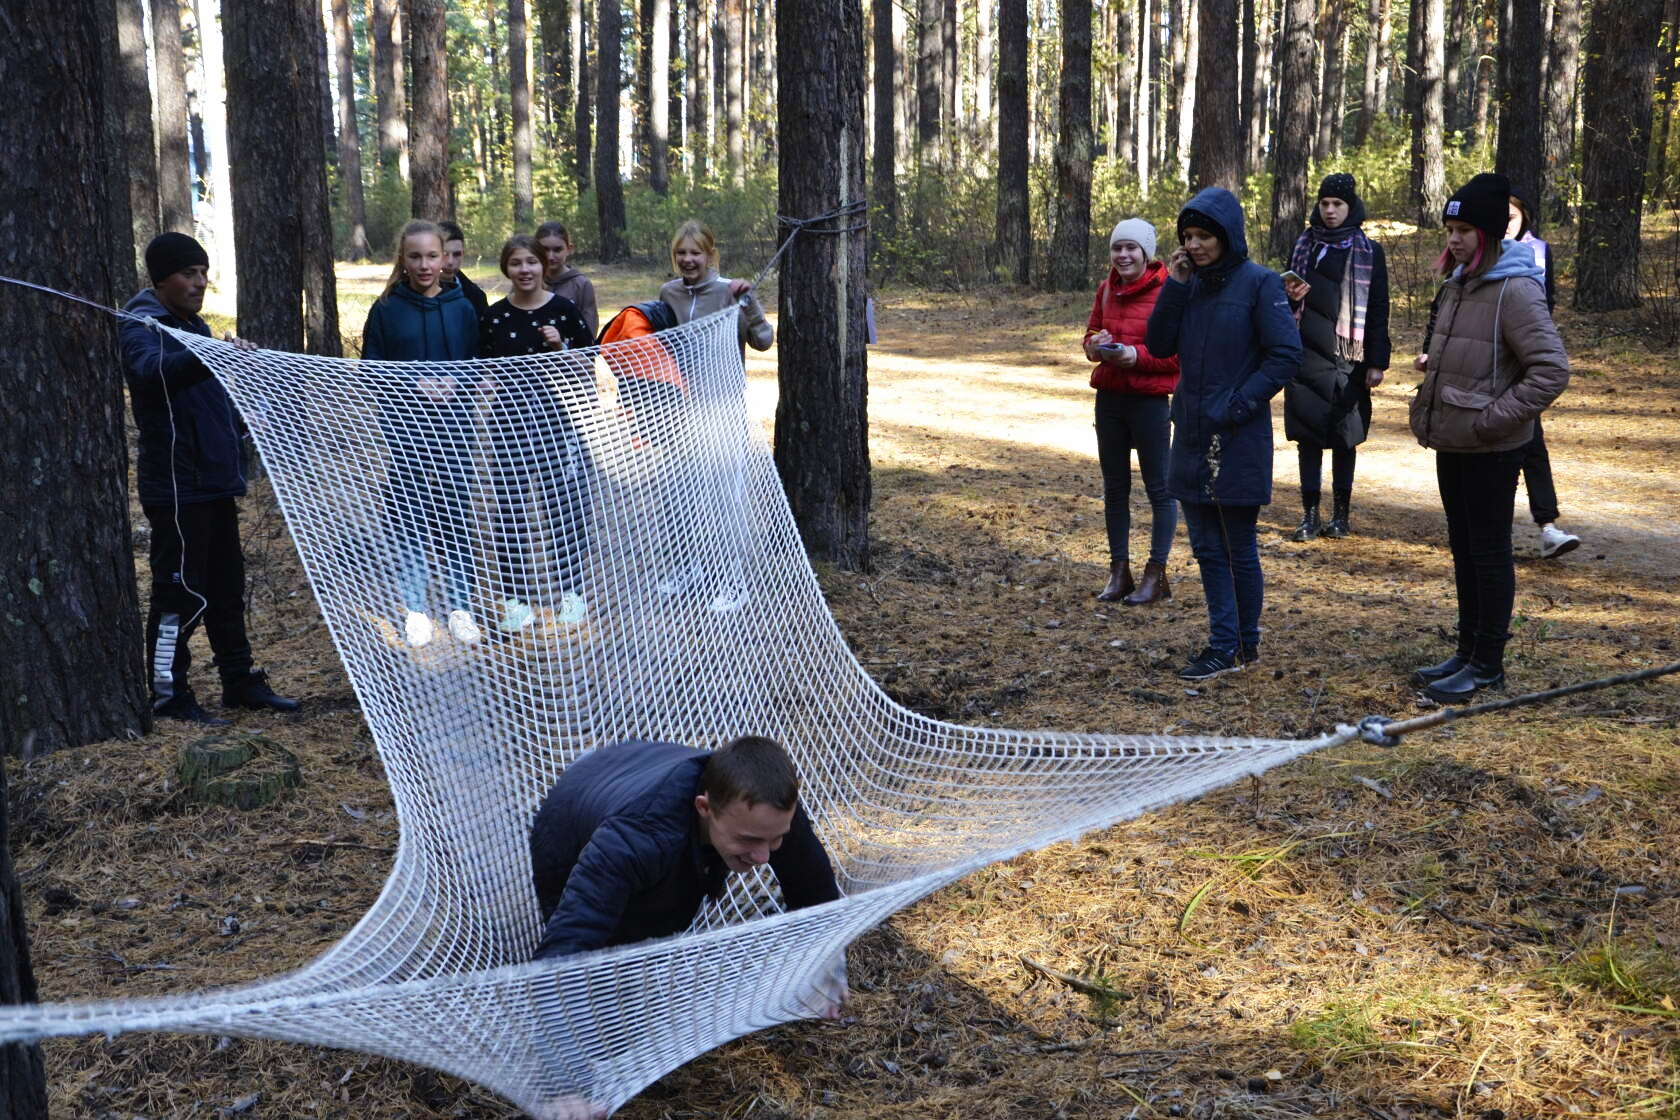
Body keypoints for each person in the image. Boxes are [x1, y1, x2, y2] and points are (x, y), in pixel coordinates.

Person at [119, 233, 302, 723]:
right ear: (160, 279)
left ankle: (239, 682)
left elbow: (207, 403)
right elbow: (150, 373)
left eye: (203, 272)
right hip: (178, 489)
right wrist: (209, 355)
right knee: (178, 592)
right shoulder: (143, 325)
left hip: (215, 483)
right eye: (188, 273)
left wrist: (245, 410)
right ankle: (168, 694)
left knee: (225, 588)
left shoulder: (191, 324)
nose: (200, 282)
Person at [1409, 173, 1570, 703]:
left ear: (1490, 234)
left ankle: (1487, 666)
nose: (1453, 239)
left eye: (1464, 230)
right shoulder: (1459, 284)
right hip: (1453, 440)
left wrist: (1491, 421)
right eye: (1450, 229)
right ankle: (1466, 651)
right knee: (1464, 550)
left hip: (1489, 447)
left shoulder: (1515, 289)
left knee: (1488, 553)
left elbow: (1550, 370)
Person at [1144, 187, 1303, 681]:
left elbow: (1285, 355)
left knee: (1237, 544)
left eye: (1204, 236)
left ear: (1227, 236)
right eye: (1188, 236)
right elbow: (1157, 343)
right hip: (1190, 432)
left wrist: (1240, 402)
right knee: (1207, 548)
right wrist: (1173, 285)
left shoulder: (1260, 284)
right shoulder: (1187, 285)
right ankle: (1224, 642)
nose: (1195, 245)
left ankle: (1241, 643)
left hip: (1236, 434)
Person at [529, 736, 842, 961]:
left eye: (774, 839)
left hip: (638, 767)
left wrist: (823, 966)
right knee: (626, 950)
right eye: (748, 840)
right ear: (704, 807)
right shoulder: (637, 838)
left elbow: (814, 888)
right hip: (568, 822)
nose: (763, 856)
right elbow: (569, 941)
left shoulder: (767, 811)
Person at [362, 220, 484, 648]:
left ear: (445, 257)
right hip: (406, 434)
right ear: (403, 259)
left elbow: (477, 367)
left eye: (433, 256)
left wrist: (457, 385)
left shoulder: (463, 307)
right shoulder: (387, 309)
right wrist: (412, 386)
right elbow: (371, 371)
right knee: (410, 521)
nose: (425, 264)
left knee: (453, 521)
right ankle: (415, 609)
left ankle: (459, 607)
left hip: (454, 433)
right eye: (415, 256)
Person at [479, 235, 597, 632]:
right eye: (516, 263)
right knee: (510, 512)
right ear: (506, 269)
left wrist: (561, 346)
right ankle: (516, 600)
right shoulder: (494, 317)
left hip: (554, 422)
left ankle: (571, 594)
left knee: (563, 509)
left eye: (531, 261)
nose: (525, 270)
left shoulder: (563, 310)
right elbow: (481, 368)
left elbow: (589, 361)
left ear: (543, 266)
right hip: (507, 424)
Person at [654, 220, 774, 612]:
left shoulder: (729, 292)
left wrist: (750, 301)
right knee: (681, 497)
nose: (688, 260)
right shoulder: (668, 293)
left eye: (696, 253)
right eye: (681, 254)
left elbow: (763, 340)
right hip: (678, 411)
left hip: (723, 408)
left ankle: (731, 579)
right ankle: (691, 568)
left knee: (724, 499)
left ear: (710, 255)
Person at [1281, 173, 1392, 541]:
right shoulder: (1304, 246)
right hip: (1306, 355)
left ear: (1351, 208)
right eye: (1325, 204)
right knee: (1308, 438)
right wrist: (1290, 297)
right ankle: (1309, 515)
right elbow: (1283, 301)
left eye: (1337, 205)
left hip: (1350, 357)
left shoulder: (1368, 251)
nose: (1330, 211)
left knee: (1346, 437)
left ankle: (1340, 516)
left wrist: (1376, 362)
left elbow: (1378, 308)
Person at [1081, 217, 1180, 605]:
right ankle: (1119, 572)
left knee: (1160, 489)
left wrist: (1134, 356)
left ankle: (1156, 575)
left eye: (1131, 248)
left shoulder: (1169, 292)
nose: (1123, 255)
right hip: (1110, 400)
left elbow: (1176, 355)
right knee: (1115, 488)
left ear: (1146, 253)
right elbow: (1090, 334)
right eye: (1117, 247)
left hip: (1150, 402)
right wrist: (1095, 345)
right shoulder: (1106, 288)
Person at [1505, 193, 1581, 561]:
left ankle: (1548, 527)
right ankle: (1493, 526)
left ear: (1525, 218)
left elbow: (1546, 301)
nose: (1506, 222)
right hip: (1484, 363)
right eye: (1500, 216)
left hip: (1524, 360)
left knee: (1532, 443)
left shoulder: (1539, 249)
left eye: (1512, 216)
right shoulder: (1473, 250)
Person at [536, 221, 599, 337]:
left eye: (557, 250)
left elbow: (589, 331)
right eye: (545, 249)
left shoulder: (581, 284)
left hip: (571, 352)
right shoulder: (529, 280)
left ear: (569, 249)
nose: (550, 256)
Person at [437, 219, 490, 319]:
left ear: (463, 254)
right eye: (444, 254)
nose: (450, 262)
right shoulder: (412, 293)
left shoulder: (476, 296)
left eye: (456, 254)